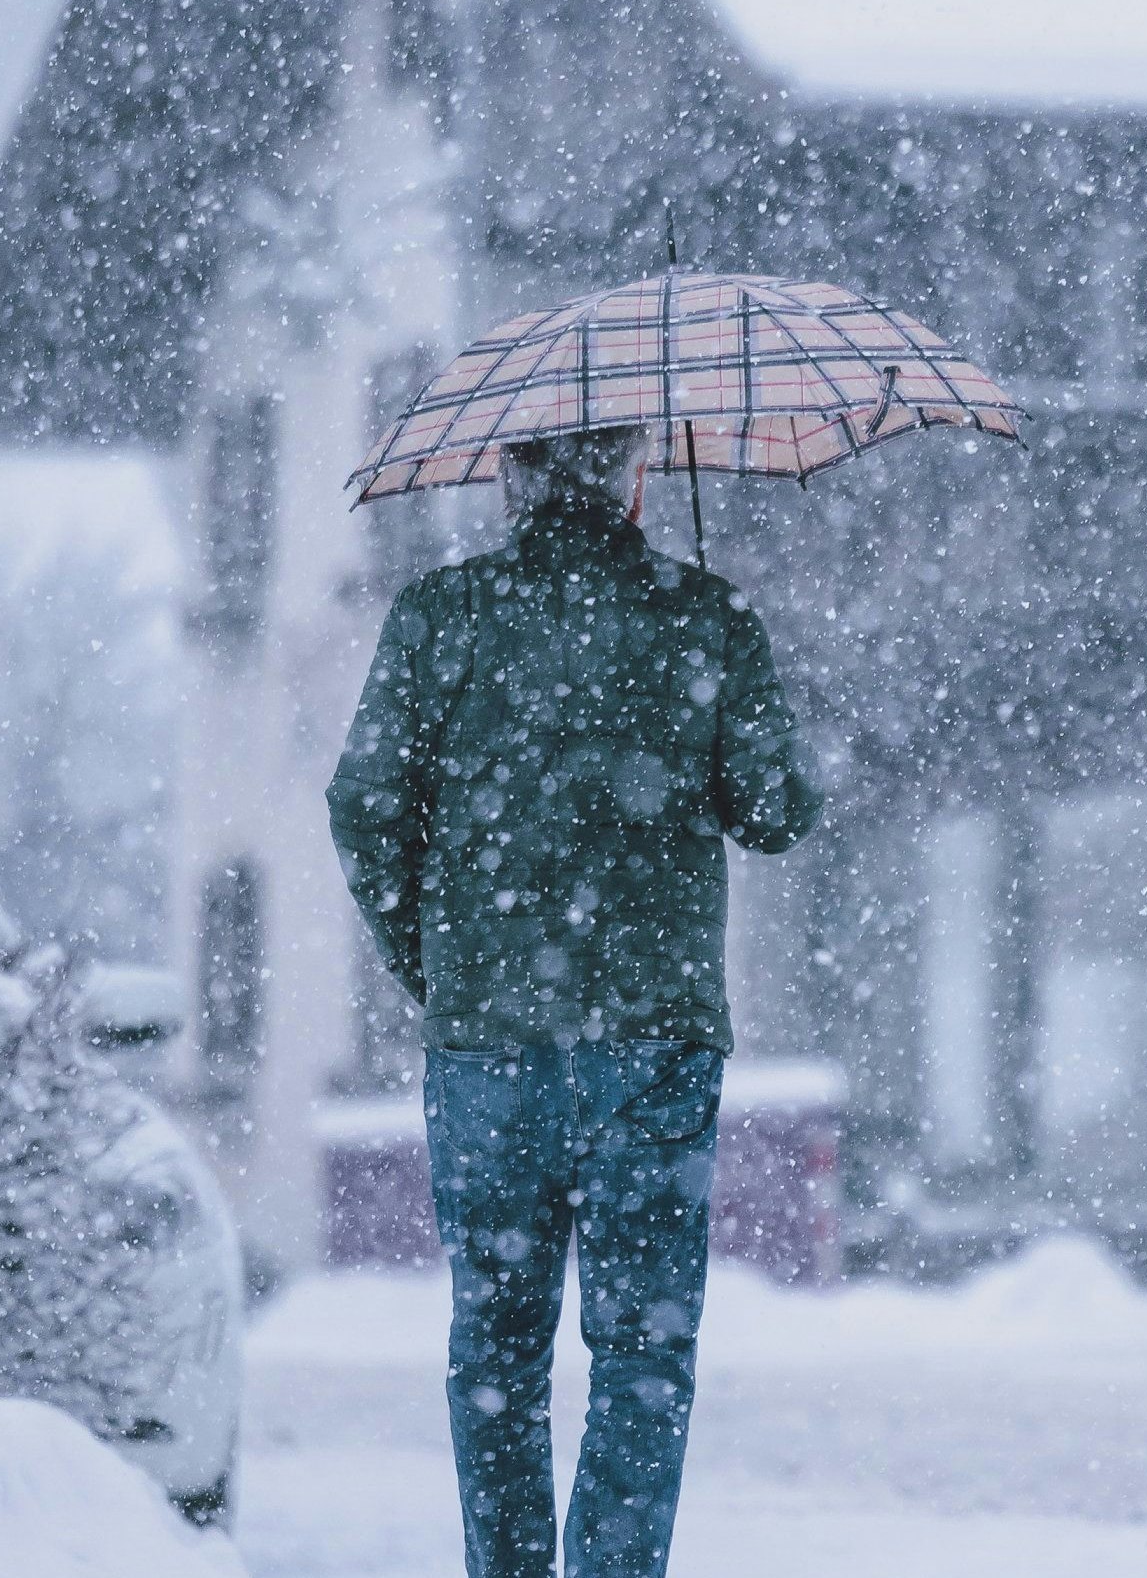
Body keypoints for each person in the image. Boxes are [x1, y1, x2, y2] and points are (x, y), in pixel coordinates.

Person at [327, 422, 823, 1578]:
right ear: (636, 473)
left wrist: (438, 966)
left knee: (495, 1345)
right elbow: (777, 812)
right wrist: (725, 678)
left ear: (508, 478)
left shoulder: (439, 618)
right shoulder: (705, 617)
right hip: (652, 1044)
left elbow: (361, 805)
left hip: (487, 1046)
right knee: (641, 1349)